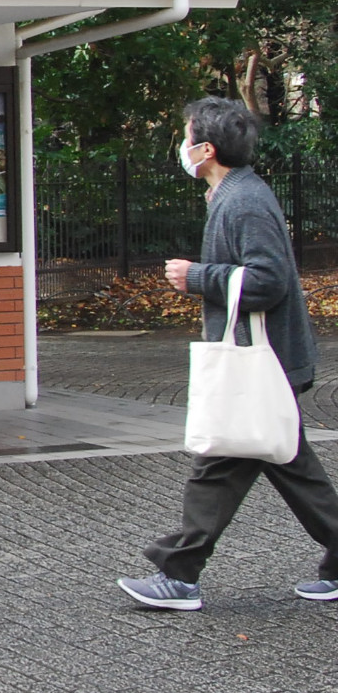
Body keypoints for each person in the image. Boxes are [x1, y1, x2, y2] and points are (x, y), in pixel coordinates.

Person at [118, 98, 338, 611]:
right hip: (268, 362)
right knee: (288, 464)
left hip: (262, 363)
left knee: (219, 467)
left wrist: (196, 277)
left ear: (206, 149)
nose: (181, 146)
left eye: (185, 136)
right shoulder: (236, 195)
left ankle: (179, 575)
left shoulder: (242, 202)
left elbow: (269, 281)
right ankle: (180, 574)